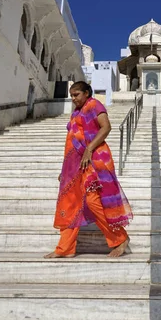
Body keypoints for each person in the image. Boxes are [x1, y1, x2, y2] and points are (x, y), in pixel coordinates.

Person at [45, 81, 132, 258]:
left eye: (76, 94)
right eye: (71, 95)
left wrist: (89, 149)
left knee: (93, 202)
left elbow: (106, 127)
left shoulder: (94, 105)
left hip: (94, 160)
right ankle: (65, 248)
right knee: (70, 204)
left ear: (86, 93)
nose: (73, 98)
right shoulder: (76, 113)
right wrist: (66, 169)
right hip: (75, 164)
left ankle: (120, 238)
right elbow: (72, 141)